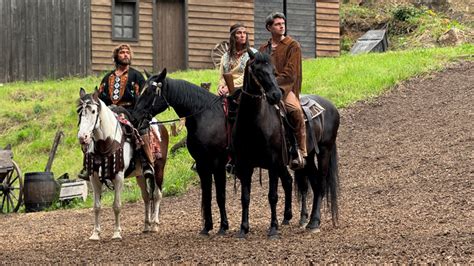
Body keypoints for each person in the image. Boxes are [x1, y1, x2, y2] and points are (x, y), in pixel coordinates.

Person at [78, 44, 154, 180]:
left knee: (139, 130)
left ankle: (146, 163)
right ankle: (88, 166)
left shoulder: (136, 76)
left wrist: (139, 114)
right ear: (116, 56)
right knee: (90, 130)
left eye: (127, 53)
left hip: (130, 111)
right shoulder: (107, 78)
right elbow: (99, 100)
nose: (125, 55)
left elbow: (143, 98)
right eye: (122, 52)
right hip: (109, 113)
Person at [259, 12, 306, 170]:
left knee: (295, 111)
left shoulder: (293, 46)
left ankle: (300, 150)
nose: (281, 26)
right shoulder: (263, 49)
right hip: (265, 89)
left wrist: (273, 84)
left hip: (284, 89)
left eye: (282, 23)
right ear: (269, 28)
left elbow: (291, 73)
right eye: (277, 24)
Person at [217, 23, 258, 96]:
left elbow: (247, 76)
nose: (242, 35)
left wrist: (229, 87)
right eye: (239, 33)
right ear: (233, 36)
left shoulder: (253, 54)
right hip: (227, 91)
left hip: (246, 91)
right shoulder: (225, 56)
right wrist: (221, 87)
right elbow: (222, 76)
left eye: (244, 33)